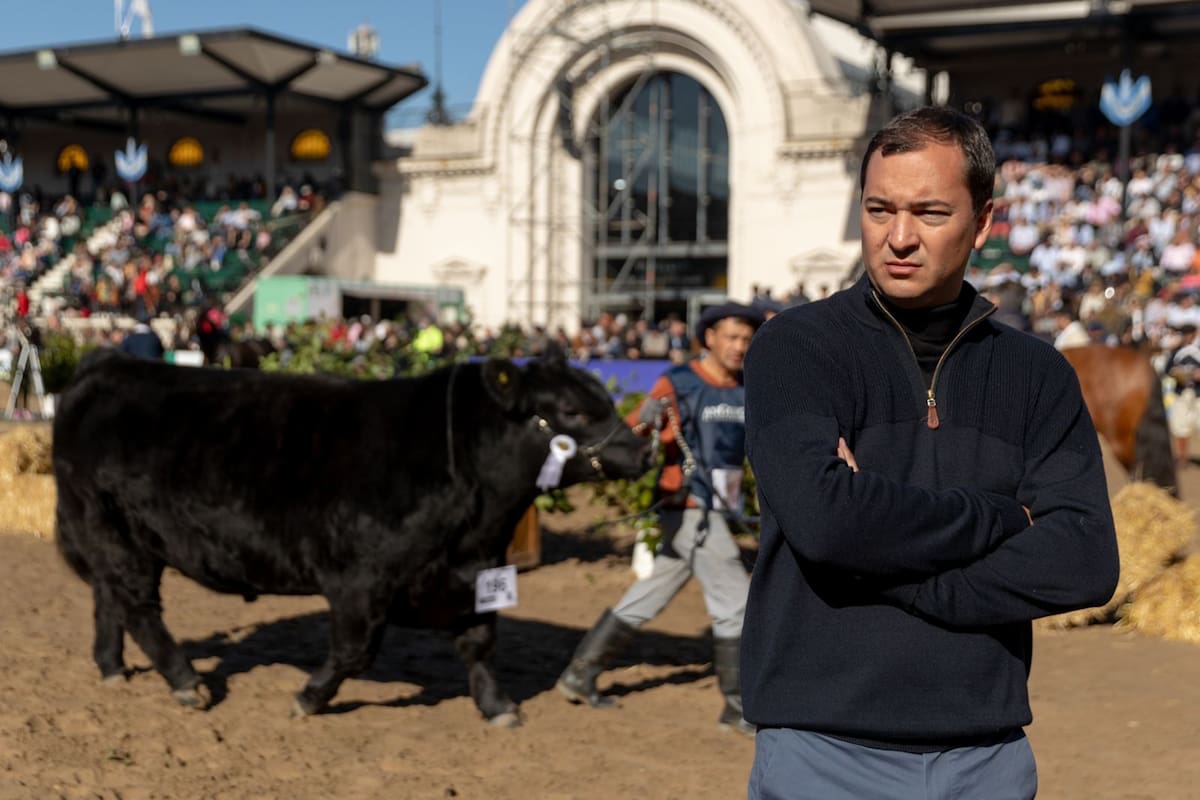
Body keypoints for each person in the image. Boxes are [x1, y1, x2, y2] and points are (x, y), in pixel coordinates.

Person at [741, 106, 1119, 798]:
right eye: (879, 209)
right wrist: (1004, 519)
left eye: (931, 213)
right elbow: (826, 523)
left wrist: (883, 565)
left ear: (983, 222)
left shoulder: (1038, 374)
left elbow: (1087, 561)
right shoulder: (795, 348)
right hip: (822, 750)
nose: (899, 237)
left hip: (987, 758)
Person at [556, 302, 763, 735]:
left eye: (746, 338)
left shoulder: (749, 386)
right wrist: (648, 422)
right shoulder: (680, 381)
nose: (740, 346)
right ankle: (737, 707)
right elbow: (633, 431)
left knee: (650, 593)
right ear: (709, 338)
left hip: (718, 508)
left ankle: (579, 673)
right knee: (736, 603)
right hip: (688, 507)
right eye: (731, 336)